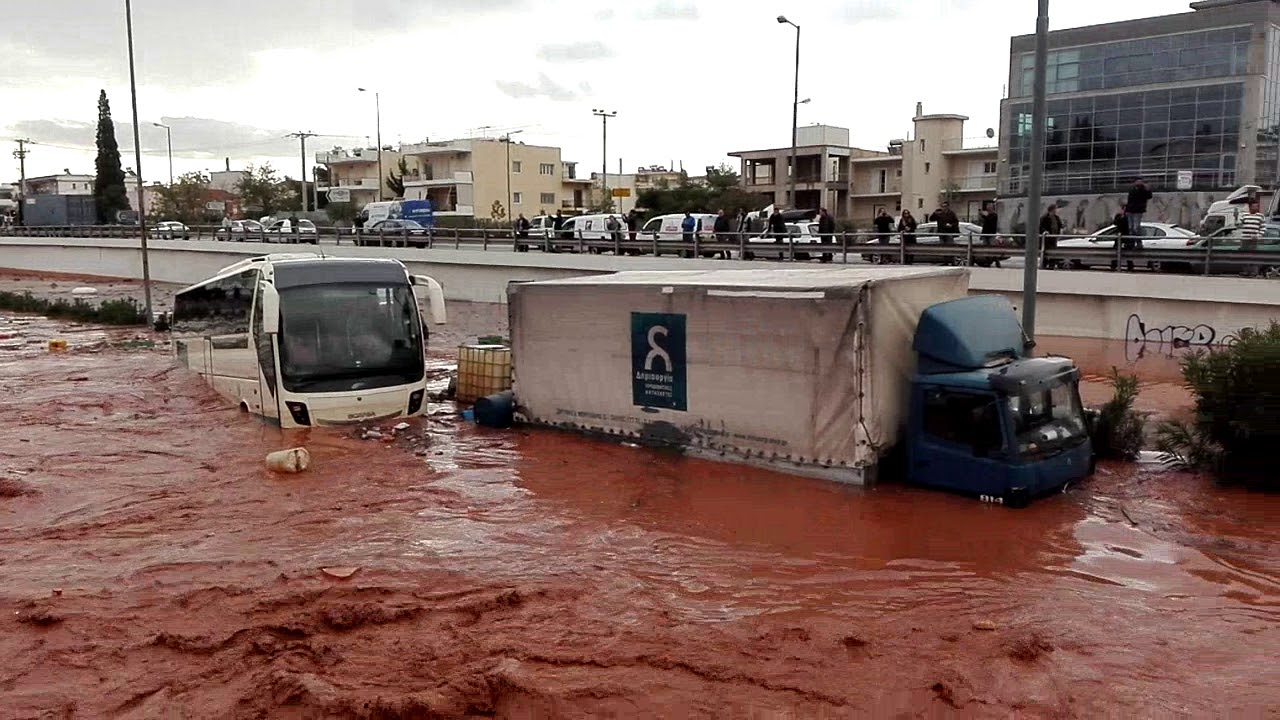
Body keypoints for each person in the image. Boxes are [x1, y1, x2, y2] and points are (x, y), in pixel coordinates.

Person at [1239, 197, 1264, 277]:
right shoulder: (1244, 215)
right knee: (1244, 256)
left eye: (1257, 206)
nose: (1256, 208)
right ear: (1250, 207)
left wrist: (1258, 235)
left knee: (1253, 256)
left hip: (1254, 240)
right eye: (1254, 206)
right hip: (1245, 239)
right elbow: (1239, 225)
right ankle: (1245, 271)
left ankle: (1254, 272)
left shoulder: (1260, 216)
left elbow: (1263, 228)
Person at [1038, 204, 1063, 270]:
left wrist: (1061, 230)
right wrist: (1045, 231)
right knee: (1045, 251)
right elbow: (1040, 226)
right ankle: (1044, 264)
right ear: (1051, 210)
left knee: (1053, 251)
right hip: (1046, 238)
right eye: (1055, 209)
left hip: (1054, 237)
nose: (1056, 210)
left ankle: (1052, 264)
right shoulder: (1044, 217)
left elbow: (1060, 225)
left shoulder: (1056, 217)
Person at [1112, 204, 1135, 272]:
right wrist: (1120, 217)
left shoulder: (1129, 216)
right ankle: (1114, 265)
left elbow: (1129, 225)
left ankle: (1130, 266)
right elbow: (1115, 223)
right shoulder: (1118, 216)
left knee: (1128, 251)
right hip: (1119, 235)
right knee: (1116, 250)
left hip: (1126, 235)